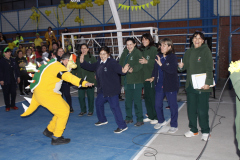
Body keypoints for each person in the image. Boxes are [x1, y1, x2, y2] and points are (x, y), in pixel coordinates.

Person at [21, 52, 93, 145]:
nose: (72, 66)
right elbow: (68, 77)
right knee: (63, 112)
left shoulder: (56, 65)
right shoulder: (59, 67)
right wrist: (83, 82)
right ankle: (56, 137)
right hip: (46, 94)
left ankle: (49, 130)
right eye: (72, 63)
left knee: (65, 108)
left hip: (42, 93)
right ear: (66, 60)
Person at [80, 46, 130, 133]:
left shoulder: (112, 62)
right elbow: (91, 67)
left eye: (104, 54)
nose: (102, 56)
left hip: (112, 90)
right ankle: (102, 120)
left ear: (108, 54)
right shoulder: (99, 62)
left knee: (115, 108)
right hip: (102, 90)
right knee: (98, 103)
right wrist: (82, 62)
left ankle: (122, 126)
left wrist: (124, 70)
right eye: (101, 54)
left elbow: (120, 70)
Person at [178, 31, 213, 141]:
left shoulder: (206, 51)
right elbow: (184, 68)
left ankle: (206, 131)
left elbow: (209, 68)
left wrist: (208, 83)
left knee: (202, 110)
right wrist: (180, 67)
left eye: (199, 38)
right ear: (192, 39)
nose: (197, 40)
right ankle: (194, 130)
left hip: (203, 86)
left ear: (203, 40)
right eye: (195, 38)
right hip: (190, 86)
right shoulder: (188, 52)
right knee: (191, 109)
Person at [149, 38, 179, 133]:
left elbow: (171, 70)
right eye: (161, 45)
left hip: (170, 85)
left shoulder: (172, 57)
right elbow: (155, 68)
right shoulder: (158, 56)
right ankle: (161, 120)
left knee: (172, 106)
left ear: (169, 47)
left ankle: (174, 125)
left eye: (164, 45)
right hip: (159, 84)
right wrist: (153, 76)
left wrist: (161, 65)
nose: (161, 47)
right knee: (157, 104)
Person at [119, 38, 144, 127]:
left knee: (137, 101)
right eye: (127, 44)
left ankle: (140, 119)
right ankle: (129, 118)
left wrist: (132, 69)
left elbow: (140, 64)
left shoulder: (137, 52)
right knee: (127, 101)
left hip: (136, 81)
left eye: (131, 44)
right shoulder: (125, 52)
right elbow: (120, 63)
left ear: (134, 44)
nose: (129, 46)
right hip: (127, 81)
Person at [139, 33, 158, 124]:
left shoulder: (154, 49)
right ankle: (150, 116)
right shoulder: (141, 50)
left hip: (151, 77)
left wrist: (147, 61)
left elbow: (157, 63)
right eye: (142, 39)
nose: (144, 41)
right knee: (146, 98)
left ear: (150, 40)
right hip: (143, 78)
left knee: (152, 98)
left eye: (146, 39)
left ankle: (156, 117)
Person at [72, 44, 97, 116]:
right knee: (81, 97)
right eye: (82, 48)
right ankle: (83, 110)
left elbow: (96, 67)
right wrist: (72, 76)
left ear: (88, 49)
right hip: (80, 80)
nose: (83, 50)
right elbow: (74, 68)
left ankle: (91, 110)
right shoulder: (77, 58)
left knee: (91, 96)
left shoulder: (92, 58)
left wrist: (96, 75)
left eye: (85, 48)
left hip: (90, 80)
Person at [57, 48, 73, 113]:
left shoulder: (67, 61)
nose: (61, 52)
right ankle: (60, 108)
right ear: (57, 53)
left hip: (65, 81)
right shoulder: (55, 60)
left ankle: (70, 107)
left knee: (67, 94)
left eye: (62, 51)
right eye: (59, 51)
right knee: (59, 95)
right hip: (57, 81)